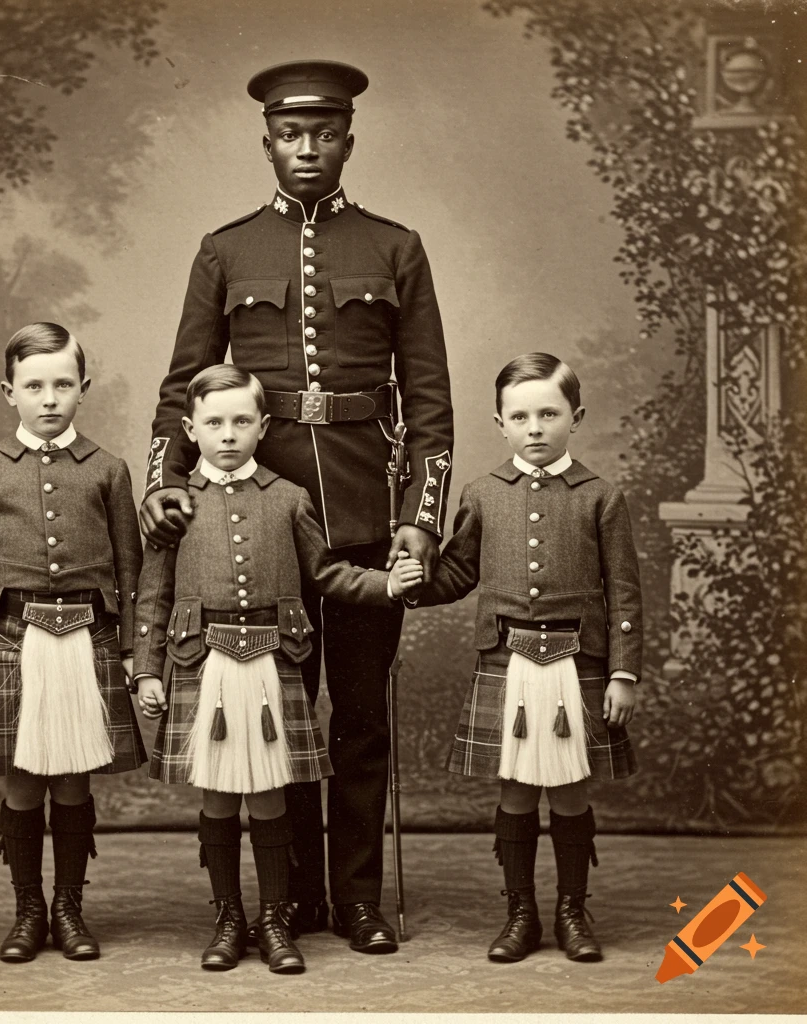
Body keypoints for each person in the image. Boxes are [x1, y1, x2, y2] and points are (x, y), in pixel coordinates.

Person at [138, 59, 454, 953]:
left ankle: (355, 901)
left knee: (355, 717)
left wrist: (419, 520)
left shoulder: (396, 246)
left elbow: (428, 403)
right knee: (281, 716)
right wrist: (165, 480)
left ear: (348, 142)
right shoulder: (225, 248)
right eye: (289, 134)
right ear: (267, 142)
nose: (306, 148)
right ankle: (295, 899)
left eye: (323, 134)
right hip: (257, 521)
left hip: (362, 513)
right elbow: (177, 392)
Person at [133, 365, 421, 973]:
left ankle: (274, 920)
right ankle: (228, 919)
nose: (229, 435)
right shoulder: (176, 506)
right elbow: (153, 594)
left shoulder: (290, 499)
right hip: (202, 663)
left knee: (268, 793)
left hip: (270, 663)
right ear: (190, 429)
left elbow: (328, 575)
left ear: (264, 427)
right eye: (214, 423)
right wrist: (147, 671)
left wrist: (385, 585)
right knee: (216, 798)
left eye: (242, 421)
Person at [404, 352, 641, 963]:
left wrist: (622, 671)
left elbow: (624, 590)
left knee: (569, 791)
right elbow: (457, 571)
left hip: (578, 663)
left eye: (548, 413)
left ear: (575, 416)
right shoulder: (483, 493)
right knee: (514, 791)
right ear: (500, 423)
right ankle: (520, 913)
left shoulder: (600, 496)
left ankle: (571, 910)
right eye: (520, 416)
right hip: (508, 662)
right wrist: (413, 582)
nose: (534, 428)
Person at [0, 322, 146, 963]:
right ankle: (28, 909)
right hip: (8, 640)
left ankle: (70, 907)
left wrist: (138, 651)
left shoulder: (109, 470)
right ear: (10, 391)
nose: (49, 397)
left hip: (89, 639)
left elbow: (131, 568)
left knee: (75, 782)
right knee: (23, 782)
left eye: (63, 383)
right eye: (34, 385)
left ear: (83, 388)